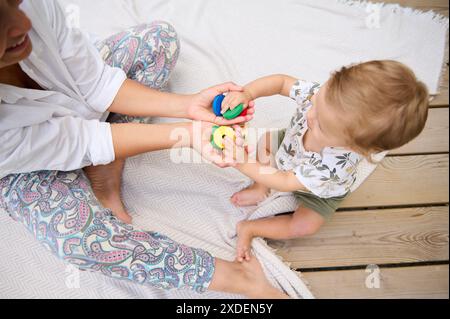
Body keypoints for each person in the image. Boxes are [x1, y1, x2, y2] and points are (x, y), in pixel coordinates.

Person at [0, 0, 288, 298]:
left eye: (11, 1)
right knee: (78, 240)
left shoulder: (32, 7)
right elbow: (83, 141)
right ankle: (238, 277)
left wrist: (189, 105)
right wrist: (189, 134)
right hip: (28, 162)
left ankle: (106, 167)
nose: (23, 23)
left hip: (79, 115)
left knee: (158, 41)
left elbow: (96, 84)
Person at [220, 65, 429, 261]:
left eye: (321, 125)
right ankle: (259, 188)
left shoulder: (331, 169)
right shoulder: (323, 99)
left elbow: (283, 181)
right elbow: (281, 82)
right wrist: (247, 94)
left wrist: (241, 162)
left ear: (354, 148)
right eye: (318, 101)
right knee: (266, 142)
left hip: (317, 192)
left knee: (304, 226)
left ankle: (251, 228)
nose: (310, 113)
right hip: (290, 146)